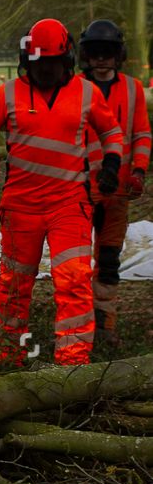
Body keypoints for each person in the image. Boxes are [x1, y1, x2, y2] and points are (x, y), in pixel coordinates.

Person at [0, 19, 124, 366]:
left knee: (74, 282)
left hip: (70, 205)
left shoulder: (86, 93)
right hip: (21, 207)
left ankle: (72, 367)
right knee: (14, 285)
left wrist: (111, 167)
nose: (46, 71)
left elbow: (112, 132)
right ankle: (9, 357)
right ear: (27, 61)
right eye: (39, 65)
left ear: (66, 60)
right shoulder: (8, 93)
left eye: (52, 64)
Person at [78, 20, 149, 347]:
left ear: (117, 55)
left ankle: (105, 326)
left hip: (118, 189)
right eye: (96, 53)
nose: (102, 60)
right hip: (78, 189)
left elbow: (142, 134)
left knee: (108, 260)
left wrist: (140, 170)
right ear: (86, 57)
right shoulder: (72, 88)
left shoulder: (133, 88)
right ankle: (76, 324)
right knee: (76, 262)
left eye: (107, 53)